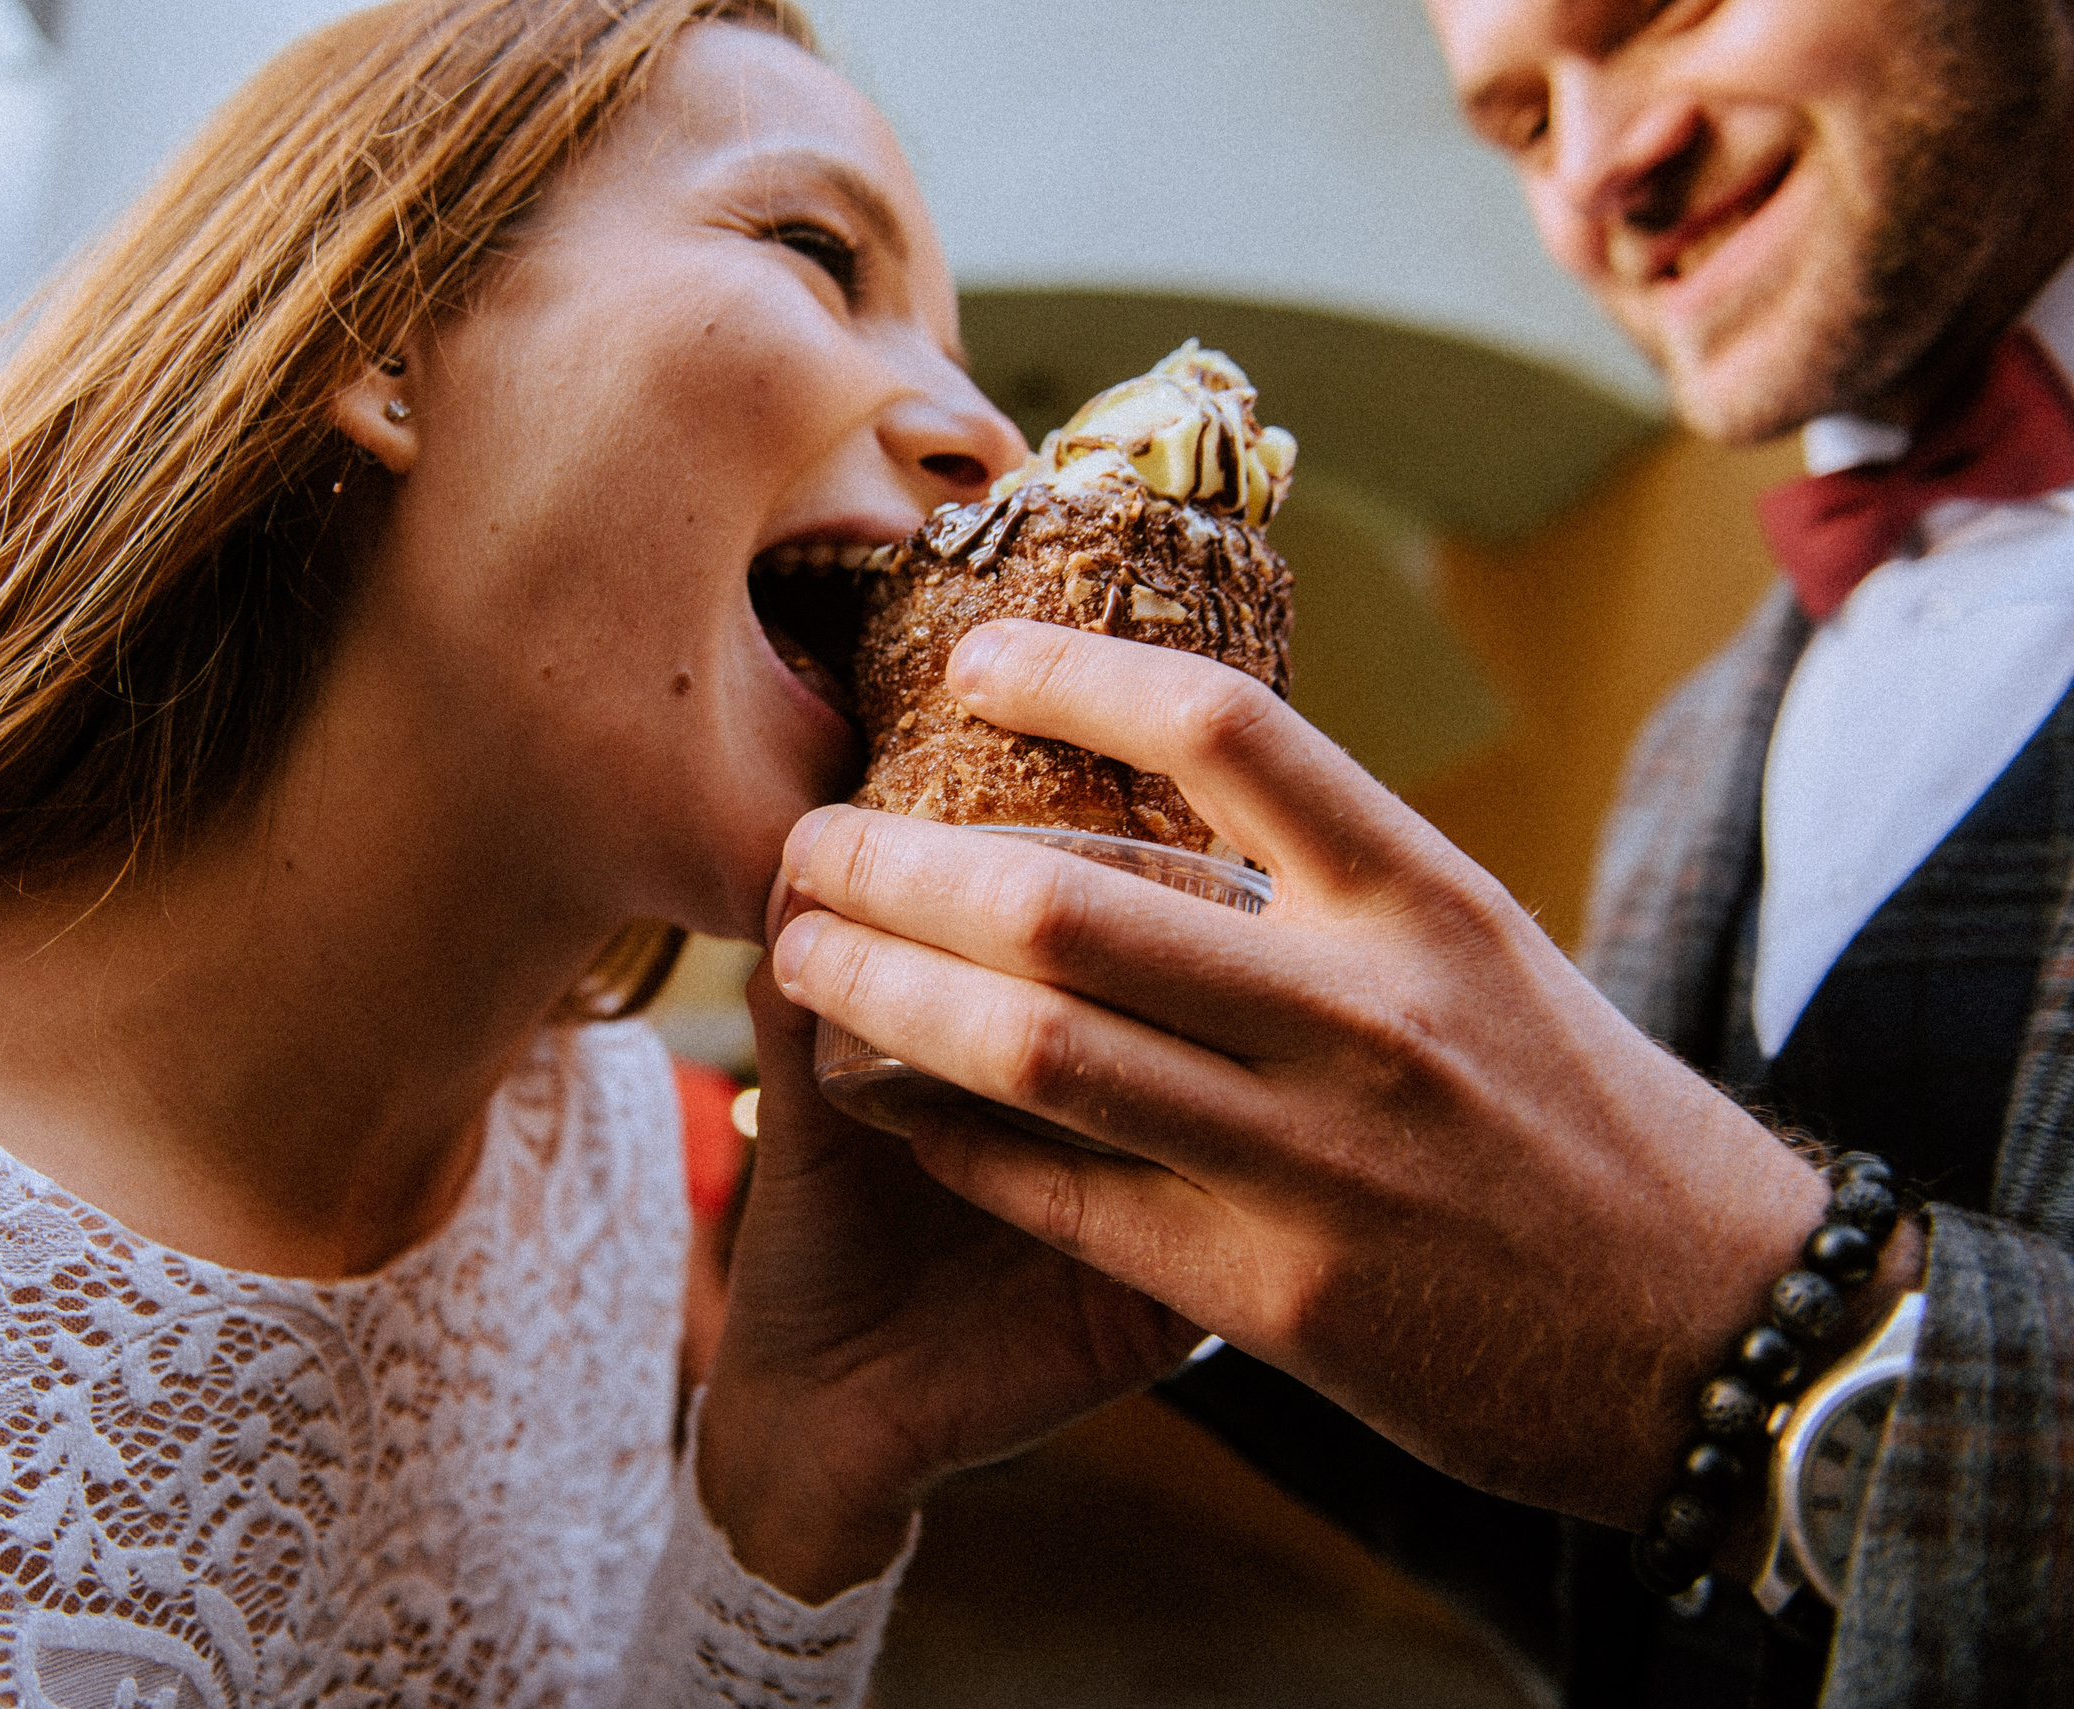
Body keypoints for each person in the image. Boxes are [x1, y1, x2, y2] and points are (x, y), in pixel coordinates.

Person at [0, 3, 1205, 1703]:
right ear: (384, 340)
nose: (992, 438)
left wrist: (806, 1467)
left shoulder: (599, 1154)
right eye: (819, 253)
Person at [753, 0, 2074, 1703]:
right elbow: (1634, 1537)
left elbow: (1702, 1370)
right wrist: (1176, 1194)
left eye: (1661, 14)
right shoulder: (1698, 745)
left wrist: (1772, 1336)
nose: (1602, 165)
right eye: (1521, 123)